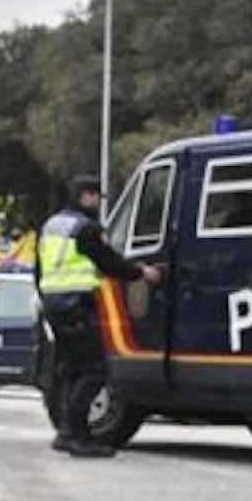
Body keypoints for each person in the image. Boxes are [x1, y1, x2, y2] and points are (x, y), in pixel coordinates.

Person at [35, 175, 163, 457]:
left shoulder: (52, 225)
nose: (97, 203)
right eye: (95, 197)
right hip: (76, 303)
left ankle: (71, 435)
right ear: (84, 196)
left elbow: (38, 270)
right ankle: (73, 434)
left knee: (73, 370)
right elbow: (109, 262)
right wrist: (142, 272)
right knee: (95, 371)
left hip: (55, 304)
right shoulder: (86, 228)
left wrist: (45, 300)